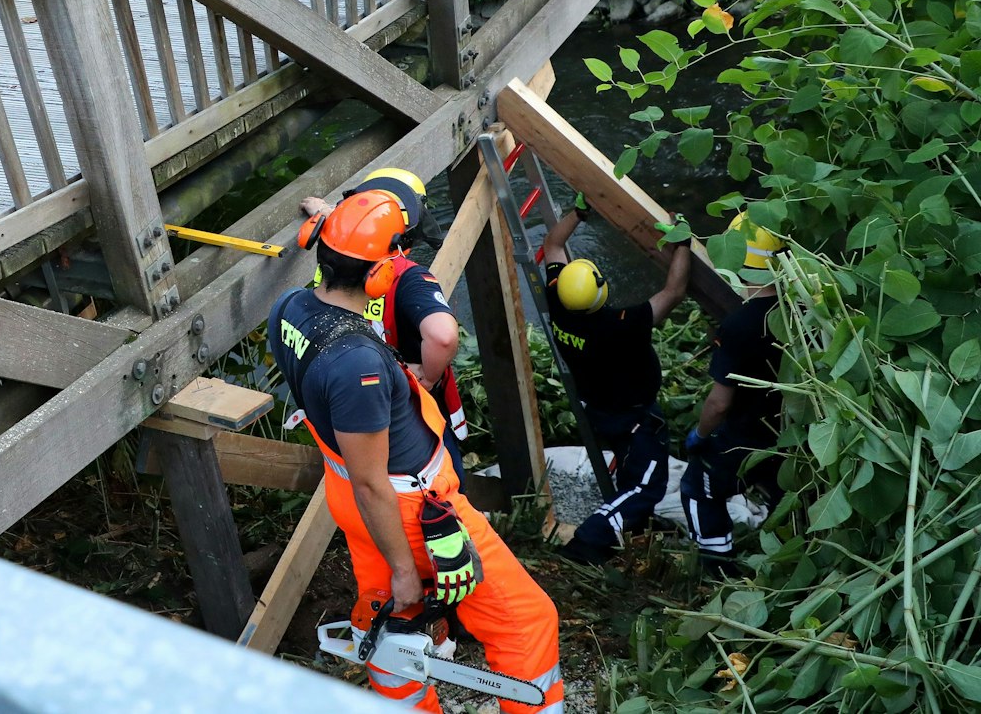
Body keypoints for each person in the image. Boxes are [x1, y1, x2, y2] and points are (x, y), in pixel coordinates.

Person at [270, 192, 564, 713]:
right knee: (527, 619)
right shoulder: (357, 364)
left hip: (353, 498)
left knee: (390, 622)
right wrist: (407, 568)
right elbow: (372, 480)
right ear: (381, 275)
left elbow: (358, 477)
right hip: (413, 510)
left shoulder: (291, 308)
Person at [539, 195, 692, 565]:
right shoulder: (619, 327)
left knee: (629, 463)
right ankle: (590, 541)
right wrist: (684, 243)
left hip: (599, 408)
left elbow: (552, 244)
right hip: (633, 416)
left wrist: (577, 213)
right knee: (647, 485)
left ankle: (630, 522)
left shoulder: (558, 302)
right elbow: (674, 291)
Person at [299, 168, 467, 464]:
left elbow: (353, 231)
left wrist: (327, 213)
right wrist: (428, 376)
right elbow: (443, 337)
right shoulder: (408, 278)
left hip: (353, 403)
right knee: (438, 482)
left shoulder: (335, 255)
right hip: (413, 412)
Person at [680, 214, 788, 576]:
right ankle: (782, 559)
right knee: (783, 496)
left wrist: (701, 435)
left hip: (743, 437)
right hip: (788, 435)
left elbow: (719, 402)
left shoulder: (740, 324)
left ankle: (717, 564)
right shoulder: (803, 312)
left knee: (699, 487)